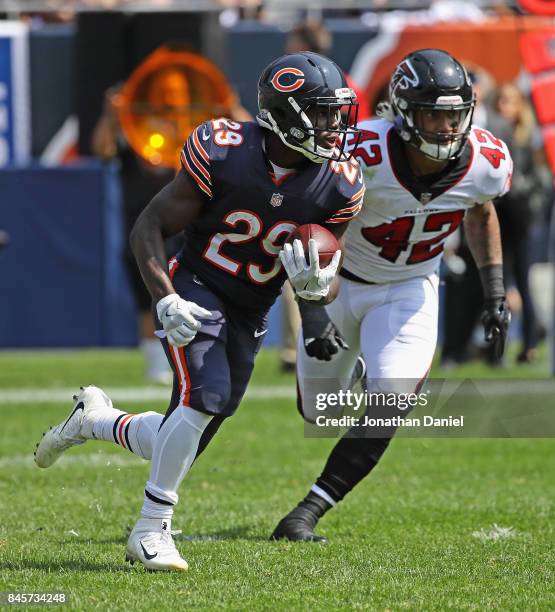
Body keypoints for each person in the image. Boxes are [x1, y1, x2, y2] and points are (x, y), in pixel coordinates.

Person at [34, 52, 365, 571]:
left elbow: (328, 271)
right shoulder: (226, 152)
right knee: (204, 398)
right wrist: (165, 295)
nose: (335, 127)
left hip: (251, 307)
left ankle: (94, 420)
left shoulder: (339, 182)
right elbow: (149, 226)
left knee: (183, 430)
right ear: (285, 114)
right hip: (197, 285)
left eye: (337, 113)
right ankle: (151, 529)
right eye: (322, 114)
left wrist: (318, 286)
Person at [270, 49, 513, 542]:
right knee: (318, 409)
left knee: (391, 402)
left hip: (409, 288)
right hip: (338, 283)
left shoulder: (487, 163)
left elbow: (482, 212)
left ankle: (307, 511)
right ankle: (354, 369)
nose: (447, 128)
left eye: (454, 114)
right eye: (433, 114)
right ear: (403, 112)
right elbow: (307, 229)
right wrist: (313, 312)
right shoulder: (361, 153)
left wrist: (494, 291)